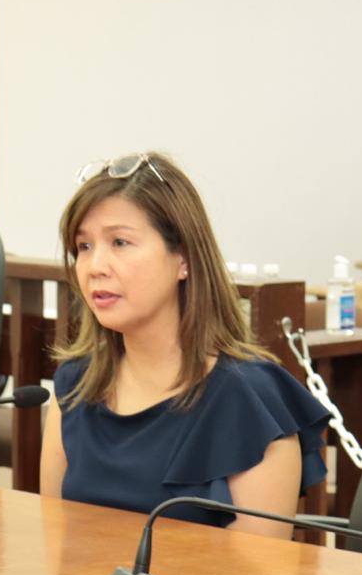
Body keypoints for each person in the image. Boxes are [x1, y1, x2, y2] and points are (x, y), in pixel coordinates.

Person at [39, 152, 330, 539]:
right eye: (84, 247)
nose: (95, 267)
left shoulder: (250, 400)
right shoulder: (75, 385)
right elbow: (56, 548)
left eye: (120, 242)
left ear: (184, 260)